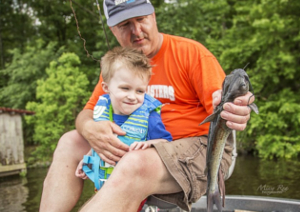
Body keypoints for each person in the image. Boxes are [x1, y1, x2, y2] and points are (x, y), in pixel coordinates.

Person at [39, 0, 255, 211]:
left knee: (135, 163)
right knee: (69, 141)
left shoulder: (191, 53)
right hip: (135, 144)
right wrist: (89, 128)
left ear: (153, 16)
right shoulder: (120, 67)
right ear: (113, 30)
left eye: (141, 19)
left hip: (200, 147)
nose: (137, 30)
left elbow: (224, 107)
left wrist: (236, 109)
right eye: (125, 25)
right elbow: (87, 112)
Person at [75, 46, 172, 191]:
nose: (132, 96)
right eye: (125, 88)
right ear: (106, 88)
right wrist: (87, 160)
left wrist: (150, 143)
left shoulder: (149, 116)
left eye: (140, 91)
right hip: (104, 185)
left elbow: (166, 141)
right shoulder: (102, 111)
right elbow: (99, 145)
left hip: (131, 189)